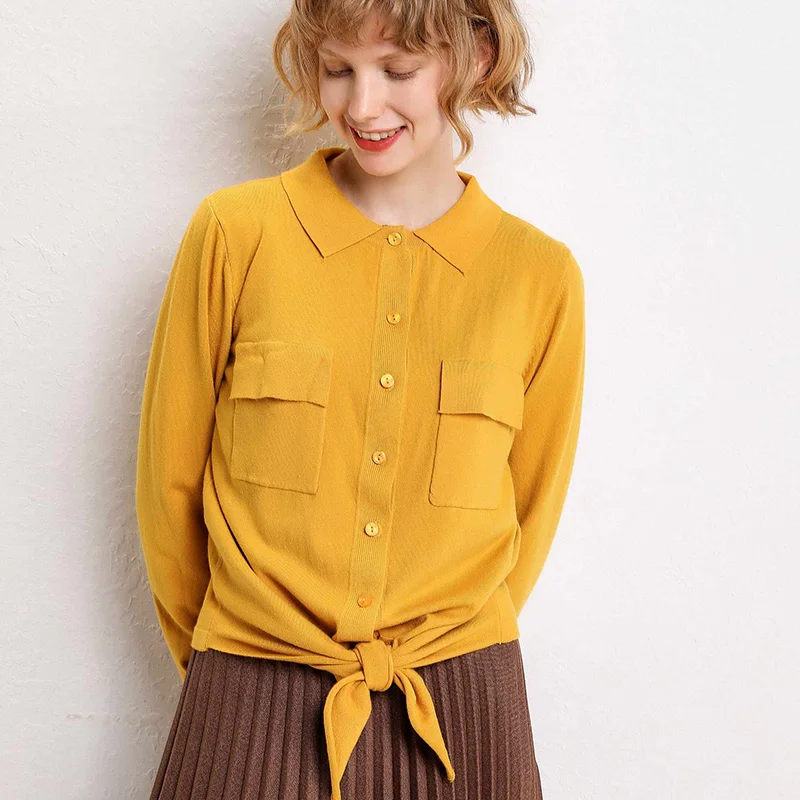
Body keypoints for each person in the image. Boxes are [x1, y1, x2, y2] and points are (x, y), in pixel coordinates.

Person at [135, 1, 586, 799]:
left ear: (478, 56)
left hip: (462, 708)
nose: (363, 105)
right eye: (338, 69)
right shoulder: (237, 234)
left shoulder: (539, 277)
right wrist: (228, 666)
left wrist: (452, 650)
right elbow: (169, 488)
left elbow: (531, 508)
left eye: (398, 70)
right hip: (249, 683)